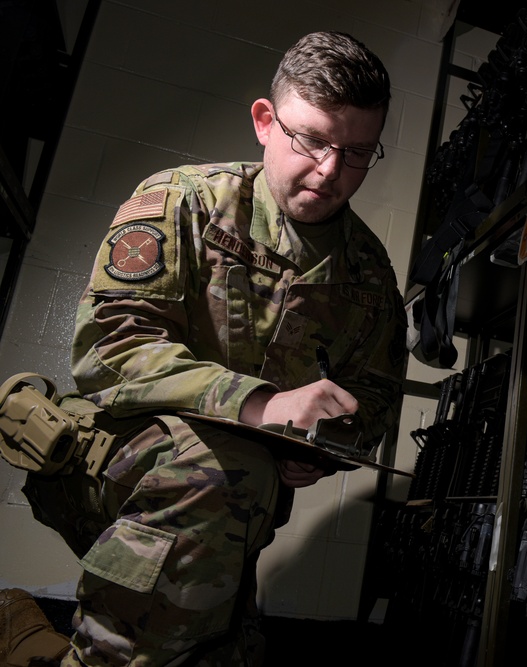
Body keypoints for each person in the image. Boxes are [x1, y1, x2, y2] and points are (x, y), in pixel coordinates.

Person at [5, 30, 407, 666]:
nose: (332, 171)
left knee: (224, 651)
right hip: (114, 460)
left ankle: (19, 628)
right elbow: (109, 347)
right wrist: (262, 405)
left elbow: (378, 394)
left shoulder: (369, 273)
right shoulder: (183, 200)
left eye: (358, 152)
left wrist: (330, 447)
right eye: (313, 140)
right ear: (265, 121)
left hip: (235, 505)